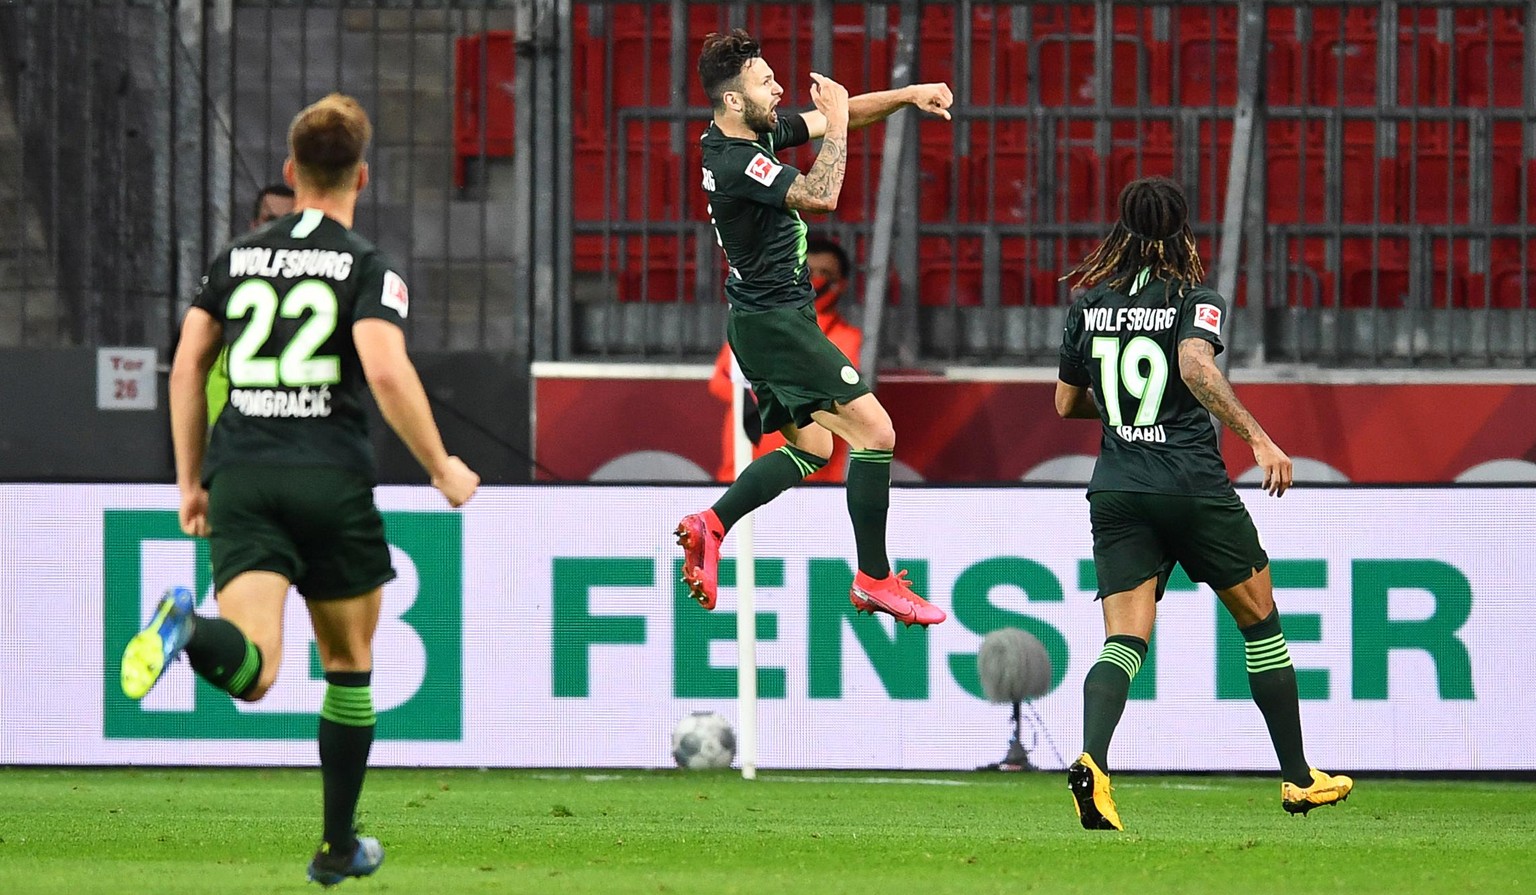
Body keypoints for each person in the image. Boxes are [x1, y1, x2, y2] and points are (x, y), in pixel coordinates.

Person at [119, 94, 480, 883]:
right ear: (362, 174)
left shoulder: (235, 258)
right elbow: (384, 367)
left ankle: (185, 630)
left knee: (253, 670)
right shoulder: (367, 265)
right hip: (331, 479)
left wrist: (191, 479)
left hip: (243, 475)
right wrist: (442, 464)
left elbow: (187, 367)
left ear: (290, 172)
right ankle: (337, 844)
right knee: (347, 663)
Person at [1054, 176, 1353, 830]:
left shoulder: (1089, 303)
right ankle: (1299, 778)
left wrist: (1127, 416)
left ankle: (1093, 762)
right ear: (1183, 229)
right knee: (1260, 622)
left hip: (1118, 487)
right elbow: (1194, 365)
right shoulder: (1196, 298)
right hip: (1191, 485)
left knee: (1124, 640)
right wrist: (1260, 437)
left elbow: (1066, 403)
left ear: (1121, 230)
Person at [675, 30, 952, 628]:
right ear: (731, 100)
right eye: (764, 81)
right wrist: (837, 120)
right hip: (775, 323)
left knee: (814, 448)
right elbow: (821, 194)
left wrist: (907, 95)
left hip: (766, 318)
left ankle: (713, 523)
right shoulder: (734, 158)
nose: (778, 88)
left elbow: (834, 118)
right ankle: (874, 578)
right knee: (876, 432)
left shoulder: (746, 132)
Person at [708, 236, 862, 482]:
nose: (817, 281)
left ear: (841, 284)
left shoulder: (851, 339)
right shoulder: (754, 327)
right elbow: (720, 383)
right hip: (742, 473)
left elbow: (837, 400)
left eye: (826, 274)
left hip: (814, 483)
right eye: (809, 272)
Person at [207, 183, 299, 426]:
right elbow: (192, 363)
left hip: (298, 432)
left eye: (288, 220)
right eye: (270, 220)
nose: (278, 229)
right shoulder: (227, 277)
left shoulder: (326, 280)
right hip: (235, 428)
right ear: (254, 225)